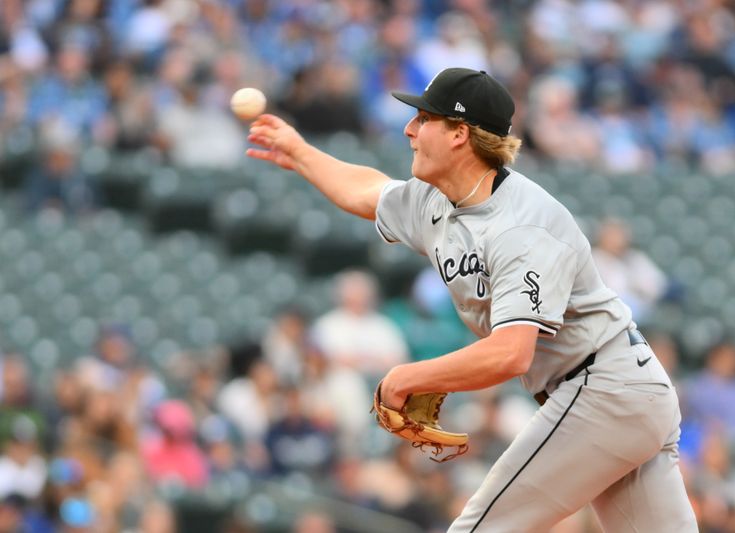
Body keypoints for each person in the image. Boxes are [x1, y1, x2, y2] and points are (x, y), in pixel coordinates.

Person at [247, 67, 698, 532]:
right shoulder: (437, 199)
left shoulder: (524, 227)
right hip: (615, 393)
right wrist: (300, 152)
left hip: (605, 388)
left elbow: (511, 353)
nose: (409, 130)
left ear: (460, 133)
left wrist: (409, 376)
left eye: (423, 118)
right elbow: (366, 191)